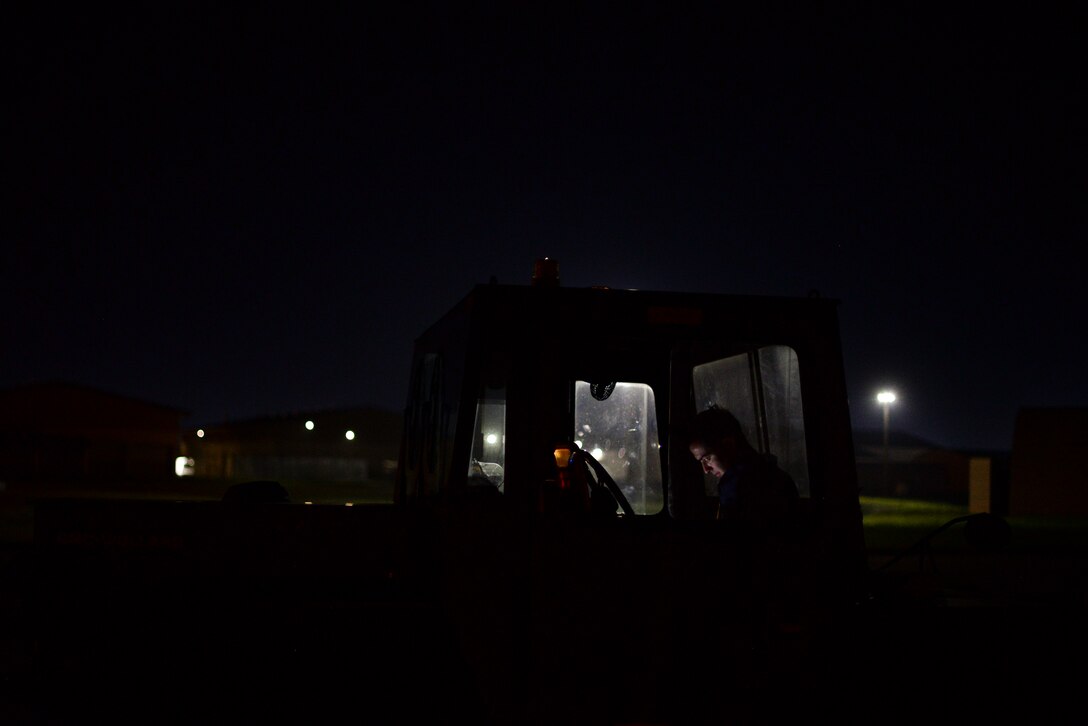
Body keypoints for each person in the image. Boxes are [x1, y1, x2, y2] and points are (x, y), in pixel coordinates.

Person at [683, 407, 799, 531]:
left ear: (728, 445)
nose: (706, 469)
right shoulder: (775, 474)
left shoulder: (737, 486)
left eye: (707, 458)